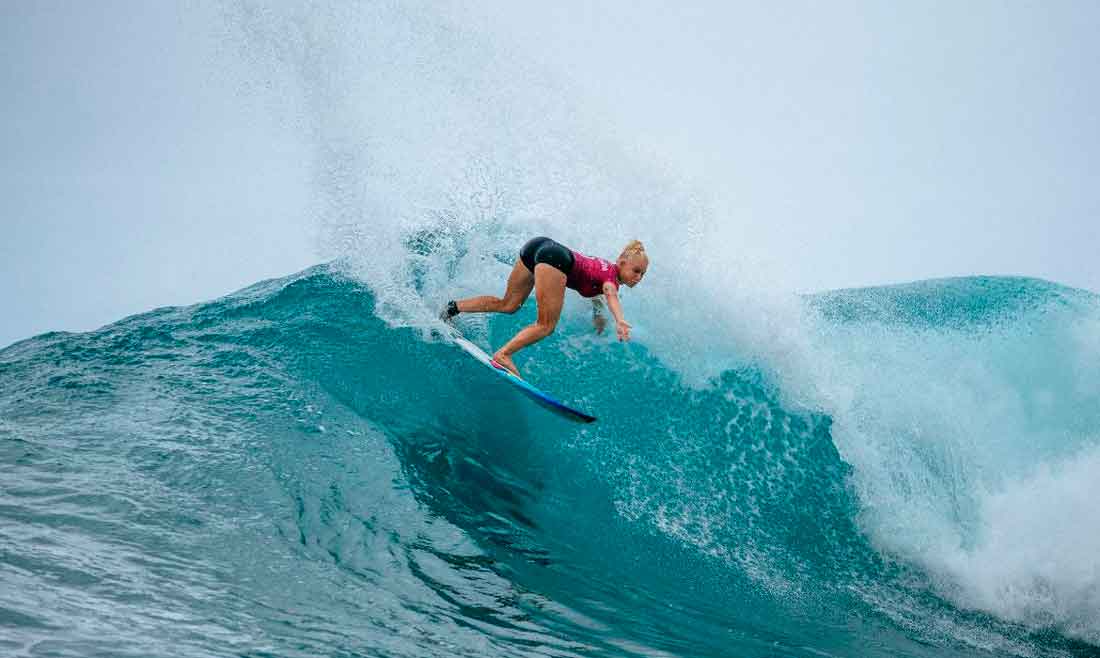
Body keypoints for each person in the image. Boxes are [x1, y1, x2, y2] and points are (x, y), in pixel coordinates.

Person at [442, 237, 649, 378]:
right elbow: (610, 292)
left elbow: (599, 290)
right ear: (621, 262)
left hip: (538, 246)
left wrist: (597, 313)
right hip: (555, 260)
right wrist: (619, 319)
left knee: (509, 304)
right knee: (546, 326)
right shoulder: (610, 279)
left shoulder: (604, 267)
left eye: (642, 274)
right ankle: (503, 355)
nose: (638, 277)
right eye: (636, 271)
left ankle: (452, 308)